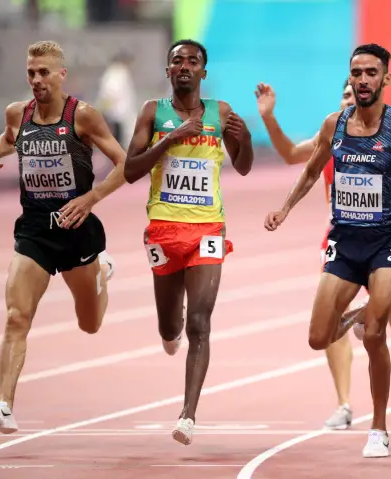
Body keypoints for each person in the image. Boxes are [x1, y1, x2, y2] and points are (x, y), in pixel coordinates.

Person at [264, 43, 391, 458]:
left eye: (370, 73)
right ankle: (356, 315)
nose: (362, 80)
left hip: (385, 240)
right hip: (344, 243)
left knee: (378, 335)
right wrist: (285, 209)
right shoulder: (334, 123)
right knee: (317, 338)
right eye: (356, 73)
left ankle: (378, 429)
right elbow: (310, 170)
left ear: (386, 78)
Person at [0, 40, 127, 434]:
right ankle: (5, 405)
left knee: (89, 324)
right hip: (35, 230)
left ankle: (102, 267)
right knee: (15, 317)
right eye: (31, 72)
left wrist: (90, 199)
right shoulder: (18, 113)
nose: (37, 79)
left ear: (62, 74)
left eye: (44, 72)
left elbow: (124, 163)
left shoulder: (84, 116)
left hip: (77, 231)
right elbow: (11, 139)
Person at [123, 39, 254, 447]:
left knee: (200, 322)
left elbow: (244, 167)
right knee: (171, 325)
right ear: (167, 71)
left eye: (192, 61)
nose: (184, 66)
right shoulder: (152, 112)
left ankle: (187, 416)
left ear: (203, 72)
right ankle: (169, 331)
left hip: (207, 230)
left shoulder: (222, 113)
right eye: (176, 61)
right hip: (163, 228)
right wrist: (172, 137)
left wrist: (245, 138)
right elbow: (130, 170)